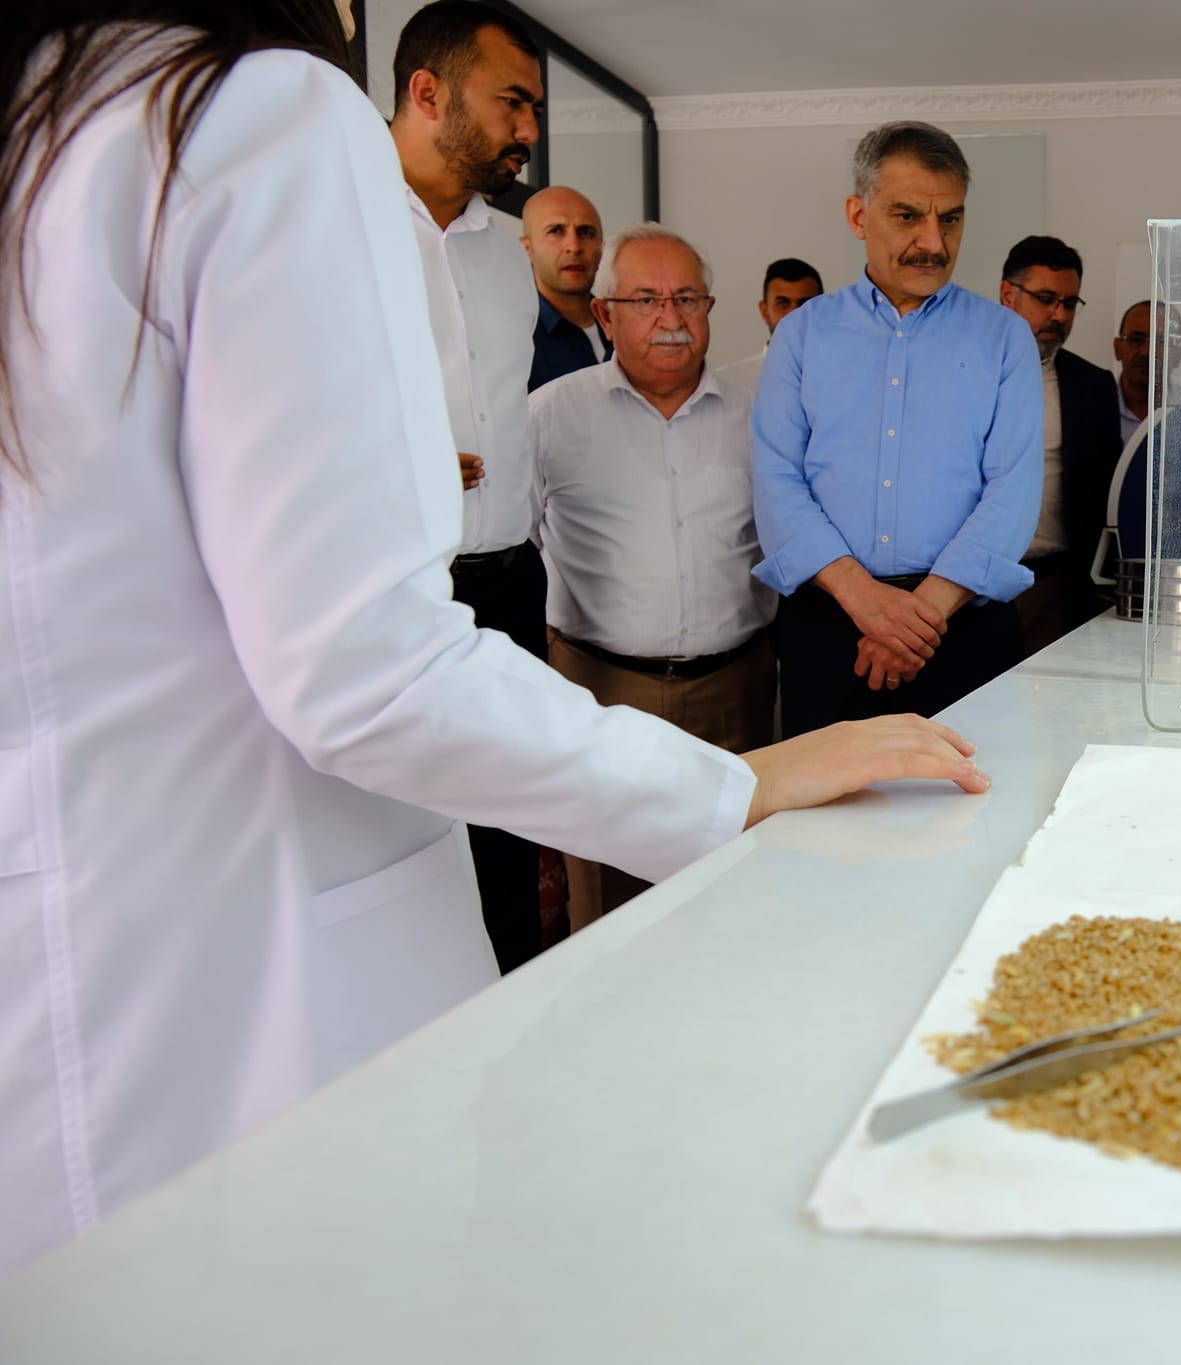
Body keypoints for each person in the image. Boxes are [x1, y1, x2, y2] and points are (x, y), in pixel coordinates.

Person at [0, 0, 988, 1278]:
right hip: (245, 996)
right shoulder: (252, 112)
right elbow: (362, 666)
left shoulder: (54, 122)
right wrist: (731, 785)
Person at [752, 122, 1042, 737]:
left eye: (950, 219)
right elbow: (776, 480)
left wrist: (920, 616)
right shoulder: (801, 334)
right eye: (908, 216)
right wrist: (867, 602)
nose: (932, 242)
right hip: (829, 624)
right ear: (858, 216)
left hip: (962, 628)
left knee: (972, 793)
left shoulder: (1005, 338)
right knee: (828, 798)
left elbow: (1014, 490)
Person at [531, 225, 777, 926]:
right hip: (603, 693)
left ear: (710, 308)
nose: (671, 319)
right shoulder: (552, 415)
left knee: (735, 895)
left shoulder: (760, 416)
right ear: (604, 314)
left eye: (687, 299)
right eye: (645, 300)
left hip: (736, 691)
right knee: (612, 913)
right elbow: (514, 547)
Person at [388, 1, 552, 973]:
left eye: (532, 109)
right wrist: (397, 456)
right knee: (407, 839)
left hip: (510, 582)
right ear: (427, 92)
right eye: (510, 103)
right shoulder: (339, 225)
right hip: (402, 588)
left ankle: (517, 1012)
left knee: (512, 834)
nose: (527, 129)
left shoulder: (508, 250)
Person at [996, 236, 1121, 655]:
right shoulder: (963, 370)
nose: (1060, 315)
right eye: (1046, 299)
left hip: (1056, 585)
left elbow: (1103, 493)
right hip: (970, 586)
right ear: (1008, 295)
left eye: (1069, 303)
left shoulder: (1092, 385)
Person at [522, 183, 610, 391]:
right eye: (556, 231)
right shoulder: (515, 338)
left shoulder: (627, 325)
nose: (574, 247)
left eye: (586, 232)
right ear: (527, 248)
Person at [716, 257, 823, 394]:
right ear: (765, 311)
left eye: (805, 305)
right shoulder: (729, 384)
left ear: (823, 310)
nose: (794, 315)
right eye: (783, 304)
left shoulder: (843, 374)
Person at [1112, 298, 1181, 444]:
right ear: (1117, 348)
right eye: (1136, 339)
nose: (1146, 352)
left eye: (1160, 342)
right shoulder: (1090, 409)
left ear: (1177, 355)